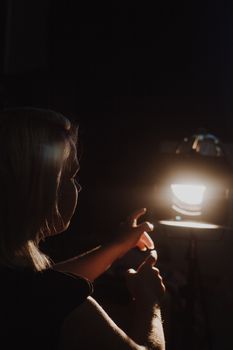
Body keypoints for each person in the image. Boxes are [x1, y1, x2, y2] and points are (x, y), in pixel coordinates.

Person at [0, 108, 166, 350]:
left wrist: (117, 246)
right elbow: (47, 295)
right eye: (70, 175)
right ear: (42, 185)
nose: (78, 187)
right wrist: (150, 303)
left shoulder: (18, 286)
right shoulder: (60, 305)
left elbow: (37, 286)